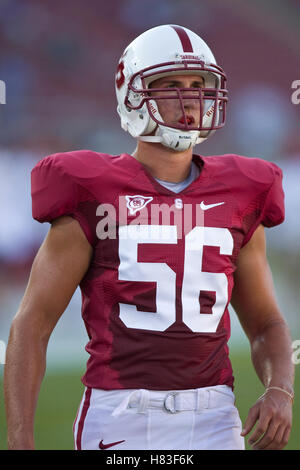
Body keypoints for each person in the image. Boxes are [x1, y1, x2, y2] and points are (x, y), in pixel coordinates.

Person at [4, 24, 294, 451]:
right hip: (122, 415)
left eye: (198, 85)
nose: (189, 98)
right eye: (171, 85)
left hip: (215, 415)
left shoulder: (242, 191)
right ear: (132, 95)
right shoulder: (93, 189)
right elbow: (32, 324)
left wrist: (279, 390)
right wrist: (20, 438)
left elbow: (267, 323)